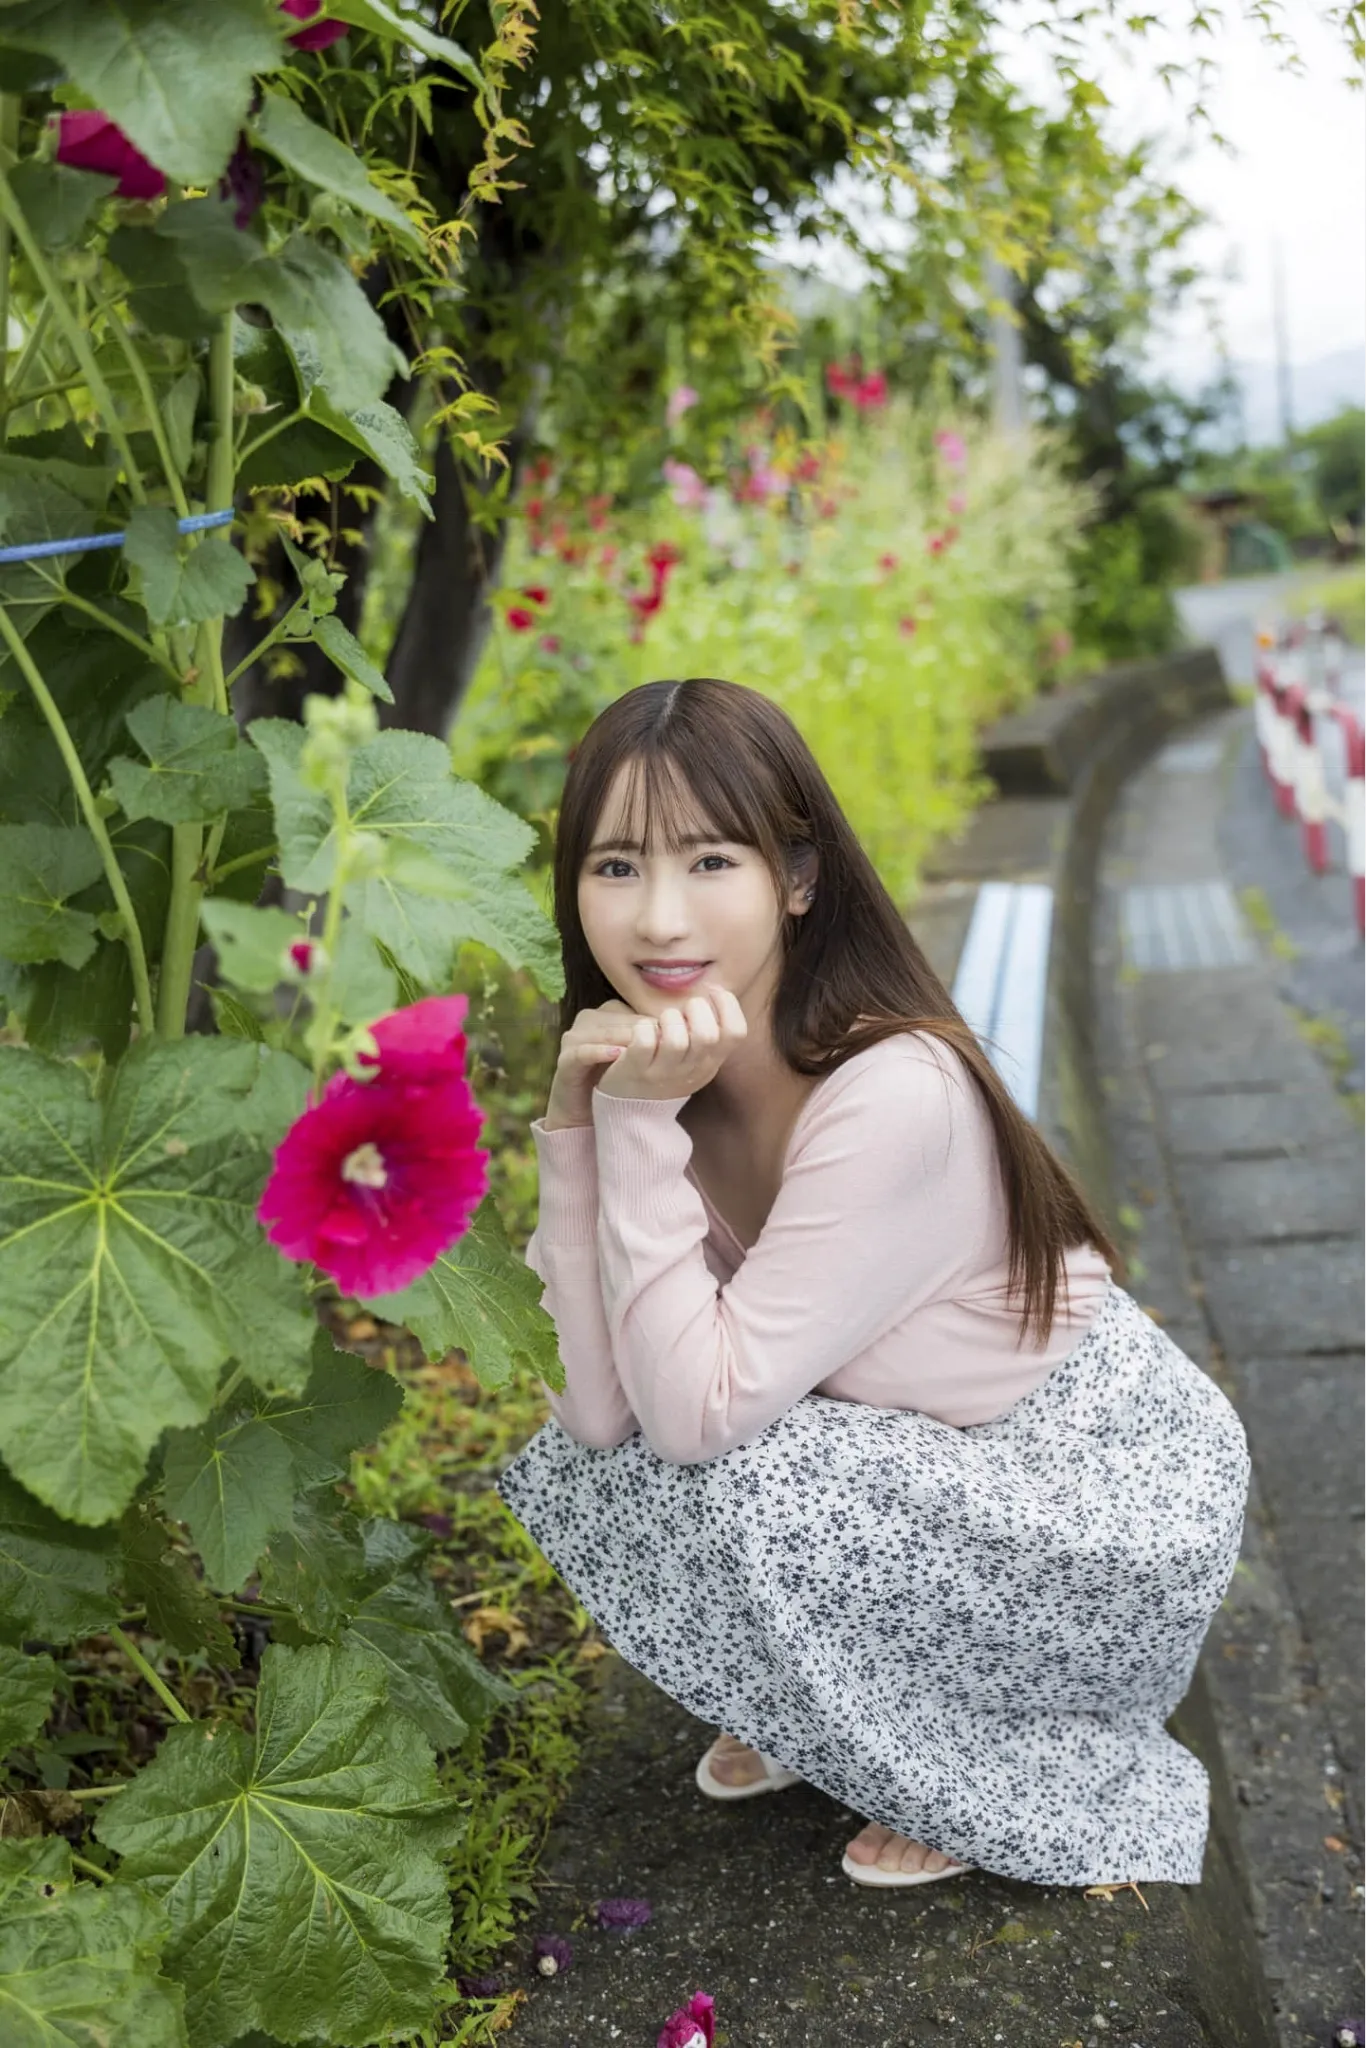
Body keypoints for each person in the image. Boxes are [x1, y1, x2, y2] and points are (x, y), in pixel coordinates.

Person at [496, 676, 1251, 1891]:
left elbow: (695, 1419)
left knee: (743, 1470)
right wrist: (577, 1126)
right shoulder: (665, 1074)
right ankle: (826, 1709)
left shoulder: (893, 1091)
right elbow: (594, 1412)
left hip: (1094, 1499)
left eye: (710, 860)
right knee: (603, 1463)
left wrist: (634, 1127)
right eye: (617, 866)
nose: (659, 917)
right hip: (929, 1464)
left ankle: (972, 1764)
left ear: (796, 877)